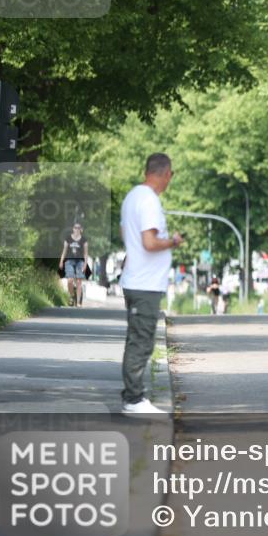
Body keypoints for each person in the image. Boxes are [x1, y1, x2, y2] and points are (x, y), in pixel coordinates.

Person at [119, 153, 183, 415]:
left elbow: (127, 235)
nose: (170, 180)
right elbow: (149, 242)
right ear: (165, 173)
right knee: (142, 341)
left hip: (137, 279)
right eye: (171, 175)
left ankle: (134, 396)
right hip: (144, 283)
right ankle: (133, 399)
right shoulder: (149, 201)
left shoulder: (132, 196)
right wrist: (173, 242)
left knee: (137, 338)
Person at [59, 222, 88, 307]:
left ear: (81, 230)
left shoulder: (84, 240)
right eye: (75, 227)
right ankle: (72, 296)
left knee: (79, 281)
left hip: (80, 261)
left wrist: (85, 264)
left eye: (78, 228)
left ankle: (78, 302)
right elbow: (64, 251)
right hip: (69, 261)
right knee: (70, 280)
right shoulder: (68, 239)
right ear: (73, 229)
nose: (77, 229)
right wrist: (61, 261)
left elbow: (86, 253)